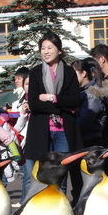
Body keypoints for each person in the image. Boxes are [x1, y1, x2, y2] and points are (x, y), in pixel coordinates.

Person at [22, 31, 81, 201]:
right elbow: (33, 103)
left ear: (59, 50)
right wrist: (60, 108)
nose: (46, 51)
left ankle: (60, 211)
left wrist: (51, 98)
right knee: (40, 175)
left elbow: (75, 100)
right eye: (43, 48)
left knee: (61, 176)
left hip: (63, 131)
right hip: (41, 130)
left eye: (50, 47)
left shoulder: (69, 72)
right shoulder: (36, 72)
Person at [72, 57, 108, 148]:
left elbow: (84, 121)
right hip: (84, 138)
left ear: (83, 73)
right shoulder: (81, 91)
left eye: (73, 73)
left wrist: (69, 126)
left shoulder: (92, 93)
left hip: (91, 140)